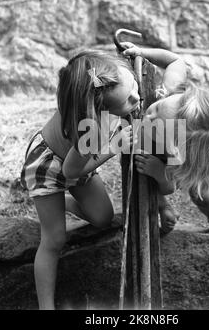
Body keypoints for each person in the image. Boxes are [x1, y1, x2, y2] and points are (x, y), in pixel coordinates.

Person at [20, 50, 140, 309]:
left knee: (102, 218)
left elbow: (78, 168)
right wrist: (114, 146)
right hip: (51, 168)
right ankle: (46, 306)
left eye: (134, 86)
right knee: (54, 239)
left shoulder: (100, 87)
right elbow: (71, 172)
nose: (137, 97)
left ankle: (56, 203)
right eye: (129, 100)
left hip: (78, 162)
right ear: (100, 106)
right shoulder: (90, 126)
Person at [122, 43, 209, 238]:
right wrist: (141, 52)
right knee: (144, 177)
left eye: (157, 124)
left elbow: (169, 186)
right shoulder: (172, 94)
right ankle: (165, 210)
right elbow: (176, 61)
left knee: (202, 191)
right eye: (158, 108)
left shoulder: (177, 153)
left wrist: (160, 174)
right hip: (149, 156)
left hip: (167, 163)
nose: (148, 117)